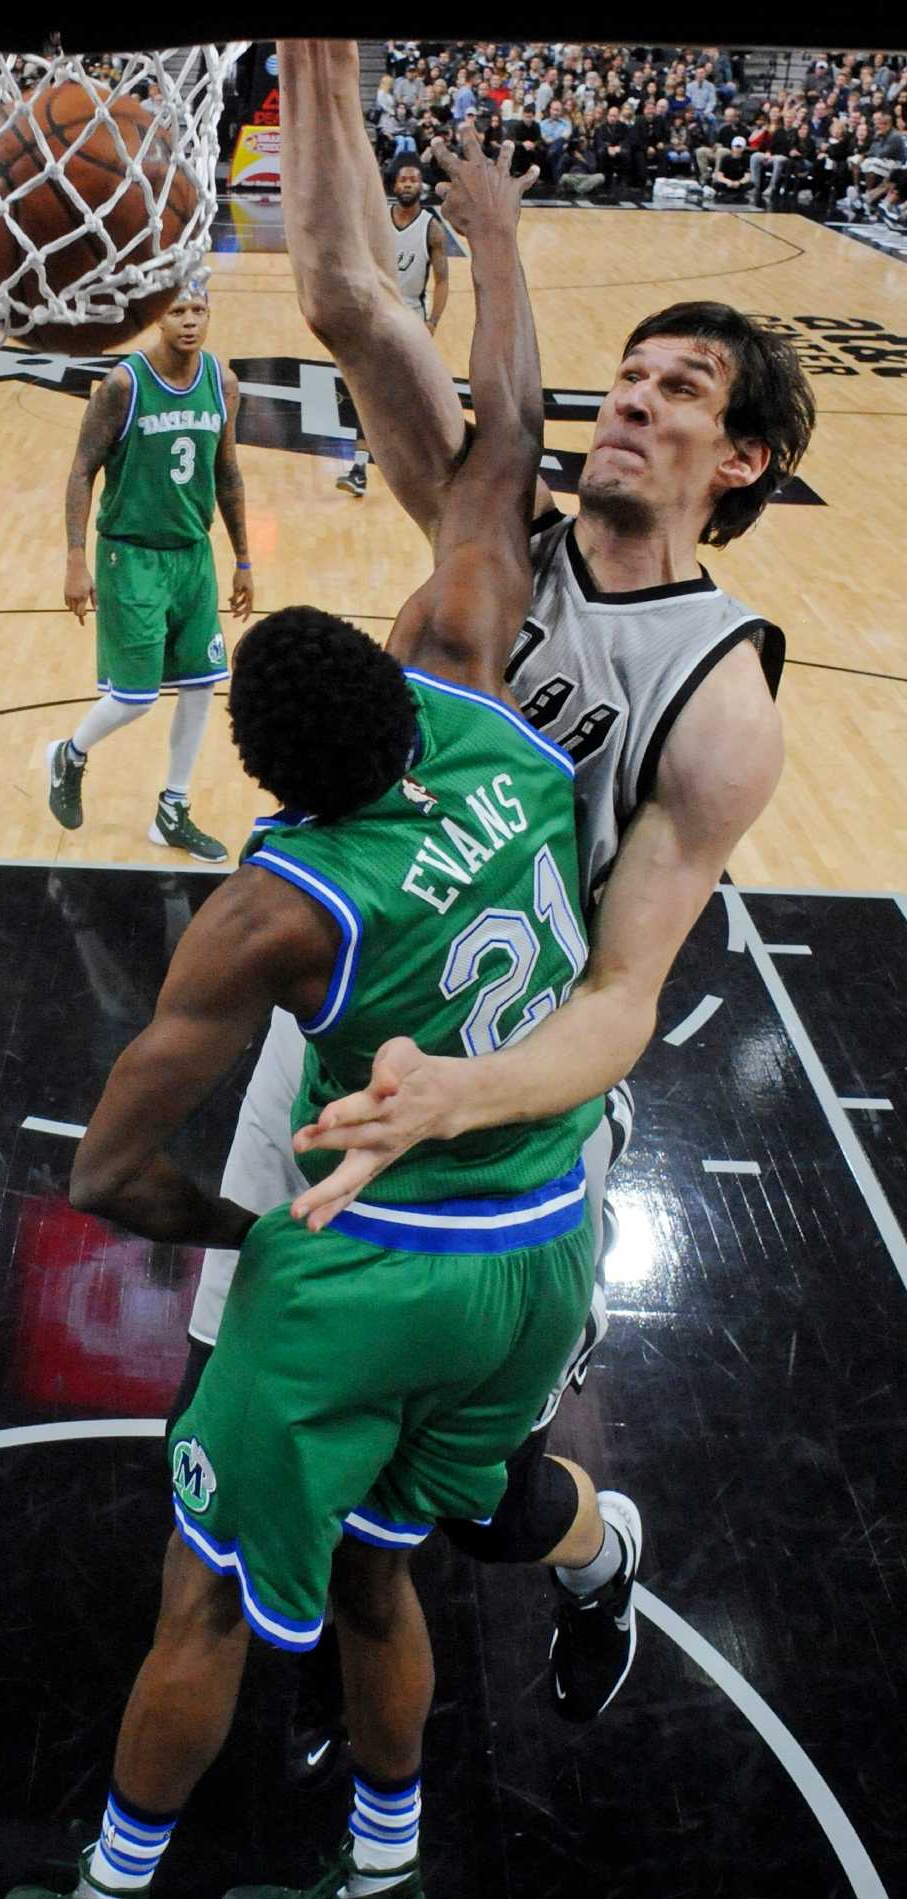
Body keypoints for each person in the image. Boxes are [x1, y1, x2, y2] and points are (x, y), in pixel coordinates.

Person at [0, 128, 638, 1899]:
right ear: (406, 686)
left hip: (362, 1269)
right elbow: (503, 445)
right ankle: (384, 1894)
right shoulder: (492, 710)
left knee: (203, 1596)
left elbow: (116, 1174)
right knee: (382, 1579)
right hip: (538, 1252)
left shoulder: (274, 908)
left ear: (273, 781)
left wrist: (237, 1228)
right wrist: (500, 244)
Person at [184, 39, 815, 1776]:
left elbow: (619, 996)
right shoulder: (491, 538)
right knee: (261, 1392)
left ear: (741, 460)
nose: (629, 397)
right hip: (342, 1047)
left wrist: (465, 1090)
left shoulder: (717, 699)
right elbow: (339, 294)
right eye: (623, 372)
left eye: (679, 387)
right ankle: (307, 1666)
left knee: (449, 1501)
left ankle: (594, 1549)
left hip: (509, 1104)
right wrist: (318, 69)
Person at [48, 285, 253, 863]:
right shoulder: (123, 385)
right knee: (136, 699)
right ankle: (71, 754)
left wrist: (242, 559)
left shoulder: (223, 383)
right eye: (177, 311)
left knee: (199, 688)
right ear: (156, 318)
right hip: (130, 556)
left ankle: (173, 810)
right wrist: (73, 558)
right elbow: (81, 471)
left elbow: (228, 474)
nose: (189, 322)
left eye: (199, 310)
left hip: (193, 556)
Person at [337, 159, 449, 499]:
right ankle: (358, 468)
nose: (408, 184)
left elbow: (443, 280)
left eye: (414, 179)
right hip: (376, 319)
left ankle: (431, 466)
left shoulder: (432, 228)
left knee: (414, 397)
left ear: (421, 186)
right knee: (366, 393)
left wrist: (432, 322)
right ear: (394, 185)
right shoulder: (377, 223)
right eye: (403, 179)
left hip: (412, 319)